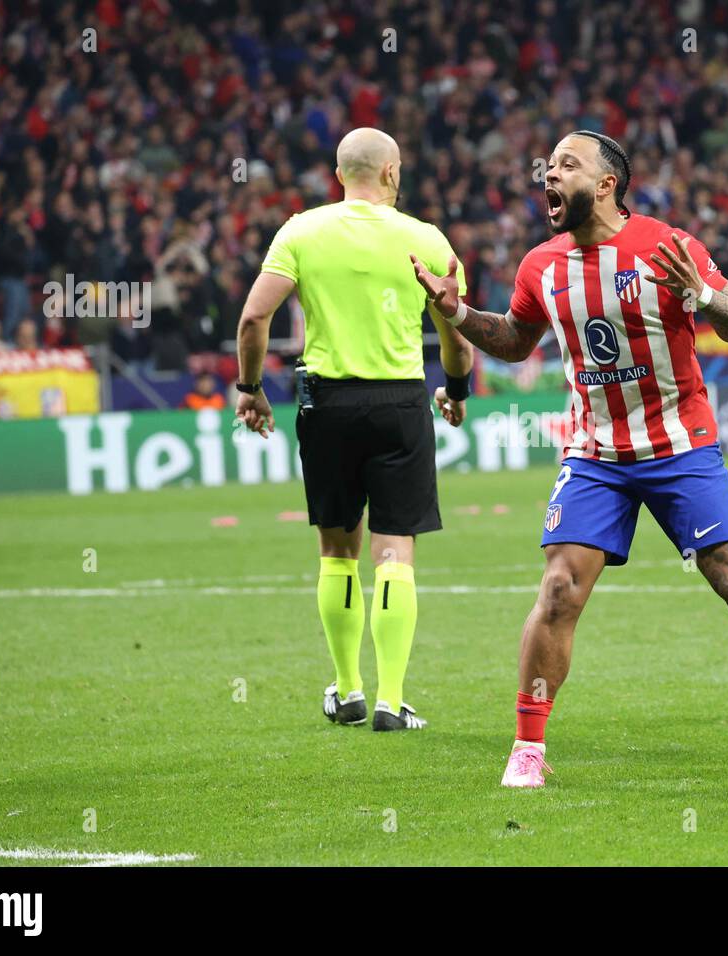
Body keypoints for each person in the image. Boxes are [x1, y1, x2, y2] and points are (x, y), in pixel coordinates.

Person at [413, 131, 728, 785]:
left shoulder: (667, 247)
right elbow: (517, 341)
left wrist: (706, 297)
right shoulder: (541, 266)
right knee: (558, 590)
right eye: (546, 166)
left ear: (607, 183)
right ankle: (528, 749)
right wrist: (457, 311)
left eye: (567, 165)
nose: (549, 175)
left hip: (679, 447)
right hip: (595, 453)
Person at [237, 127, 472, 732]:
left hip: (327, 407)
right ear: (391, 172)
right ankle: (392, 701)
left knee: (337, 552)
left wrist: (251, 389)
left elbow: (254, 316)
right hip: (399, 406)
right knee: (395, 551)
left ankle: (346, 691)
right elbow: (455, 335)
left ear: (340, 174)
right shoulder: (427, 239)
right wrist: (457, 388)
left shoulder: (300, 231)